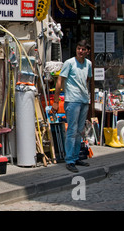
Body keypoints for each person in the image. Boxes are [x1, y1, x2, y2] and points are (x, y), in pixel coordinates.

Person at [52, 39, 92, 173]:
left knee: (80, 131)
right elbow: (60, 80)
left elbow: (87, 79)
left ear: (87, 51)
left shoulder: (89, 64)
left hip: (84, 100)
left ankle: (76, 157)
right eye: (78, 48)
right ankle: (69, 160)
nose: (80, 51)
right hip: (72, 100)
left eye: (83, 49)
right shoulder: (69, 63)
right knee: (72, 130)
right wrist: (56, 101)